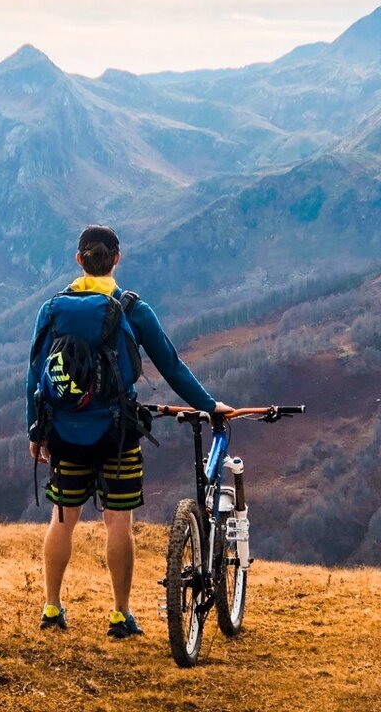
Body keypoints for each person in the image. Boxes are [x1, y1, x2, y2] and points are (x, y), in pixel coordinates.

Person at [26, 225, 233, 638]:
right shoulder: (133, 309)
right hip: (117, 435)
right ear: (116, 259)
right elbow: (171, 366)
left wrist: (36, 430)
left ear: (79, 260)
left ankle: (51, 608)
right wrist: (210, 405)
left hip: (65, 433)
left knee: (62, 518)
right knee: (118, 520)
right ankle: (120, 614)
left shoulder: (52, 309)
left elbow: (35, 375)